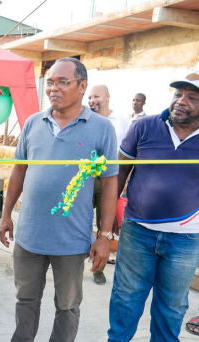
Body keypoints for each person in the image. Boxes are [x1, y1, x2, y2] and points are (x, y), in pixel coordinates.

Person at [0, 57, 118, 342]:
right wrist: (6, 215)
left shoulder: (101, 128)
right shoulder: (33, 123)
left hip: (71, 240)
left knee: (67, 305)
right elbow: (19, 170)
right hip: (29, 236)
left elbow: (110, 181)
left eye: (63, 82)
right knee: (25, 300)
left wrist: (104, 235)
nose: (54, 89)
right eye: (50, 83)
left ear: (82, 86)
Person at [108, 71, 199, 341]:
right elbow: (120, 172)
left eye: (192, 97)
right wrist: (109, 216)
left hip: (186, 238)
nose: (181, 101)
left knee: (171, 307)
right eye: (178, 94)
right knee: (126, 299)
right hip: (137, 231)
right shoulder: (144, 126)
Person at [87, 84, 131, 285]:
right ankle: (69, 257)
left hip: (109, 180)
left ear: (107, 97)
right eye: (89, 97)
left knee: (105, 224)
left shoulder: (122, 121)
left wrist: (124, 182)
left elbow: (130, 153)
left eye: (96, 96)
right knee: (76, 216)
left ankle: (99, 268)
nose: (92, 100)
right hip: (86, 179)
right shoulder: (84, 118)